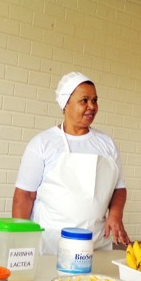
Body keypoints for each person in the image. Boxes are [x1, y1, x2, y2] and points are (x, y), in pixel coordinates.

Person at [12, 71, 130, 254]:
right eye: (84, 100)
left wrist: (115, 215)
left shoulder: (106, 144)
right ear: (65, 104)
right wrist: (20, 243)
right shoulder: (43, 144)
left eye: (95, 100)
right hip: (51, 245)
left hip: (95, 243)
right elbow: (24, 196)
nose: (92, 106)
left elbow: (119, 188)